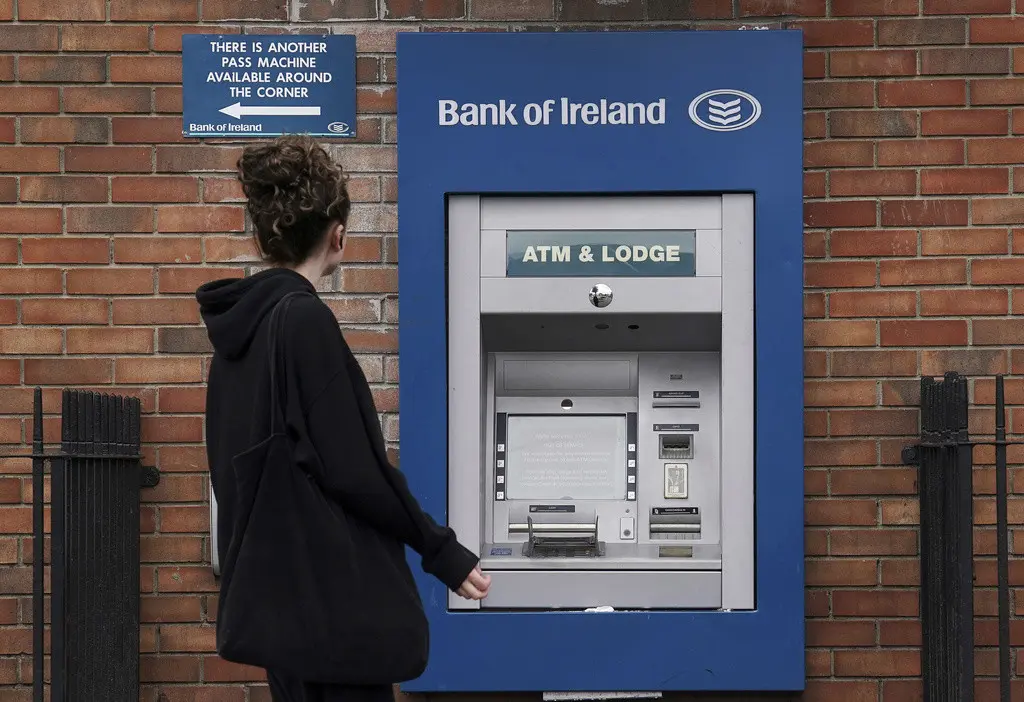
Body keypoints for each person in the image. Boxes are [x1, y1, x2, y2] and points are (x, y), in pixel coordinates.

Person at [196, 135, 490, 702]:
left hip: (280, 610)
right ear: (338, 235)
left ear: (262, 236)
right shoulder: (303, 322)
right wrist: (441, 550)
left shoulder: (239, 335)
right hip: (330, 609)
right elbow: (356, 469)